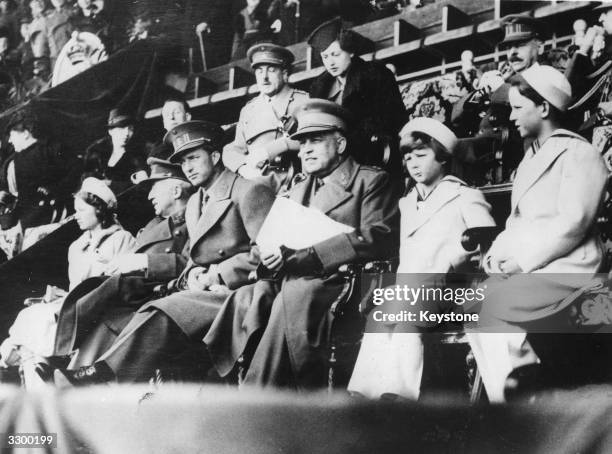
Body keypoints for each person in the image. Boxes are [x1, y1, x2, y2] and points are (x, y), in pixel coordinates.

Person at [53, 120, 276, 385]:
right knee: (146, 308)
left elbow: (266, 253)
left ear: (216, 156)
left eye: (194, 158)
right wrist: (193, 275)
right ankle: (93, 376)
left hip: (239, 293)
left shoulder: (249, 190)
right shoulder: (195, 203)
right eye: (183, 163)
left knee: (163, 310)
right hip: (203, 290)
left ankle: (98, 375)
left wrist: (217, 275)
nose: (188, 168)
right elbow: (194, 257)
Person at [231, 99, 399, 390]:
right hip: (292, 278)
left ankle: (260, 394)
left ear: (341, 144)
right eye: (302, 142)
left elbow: (376, 237)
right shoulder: (297, 188)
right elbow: (269, 240)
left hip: (339, 282)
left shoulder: (371, 181)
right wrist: (269, 257)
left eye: (315, 140)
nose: (305, 149)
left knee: (294, 294)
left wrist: (308, 256)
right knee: (248, 297)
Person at [466, 64, 609, 402]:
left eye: (518, 107)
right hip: (535, 269)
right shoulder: (529, 161)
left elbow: (573, 224)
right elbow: (516, 222)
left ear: (544, 107)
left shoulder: (580, 153)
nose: (511, 116)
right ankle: (516, 401)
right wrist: (495, 257)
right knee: (475, 307)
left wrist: (521, 263)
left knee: (492, 303)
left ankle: (527, 394)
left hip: (571, 268)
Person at [347, 117, 495, 400]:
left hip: (453, 289)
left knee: (404, 307)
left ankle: (398, 394)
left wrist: (454, 260)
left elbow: (484, 242)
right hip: (414, 289)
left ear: (442, 158)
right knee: (381, 312)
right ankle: (365, 393)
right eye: (408, 157)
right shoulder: (408, 202)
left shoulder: (465, 196)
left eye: (422, 155)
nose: (414, 163)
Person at [53, 155, 194, 368]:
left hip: (158, 294)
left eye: (154, 187)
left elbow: (190, 262)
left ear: (176, 191)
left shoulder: (194, 219)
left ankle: (75, 365)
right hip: (134, 295)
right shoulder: (153, 224)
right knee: (105, 310)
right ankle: (75, 372)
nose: (150, 196)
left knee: (104, 294)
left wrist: (143, 261)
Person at [0, 177, 135, 387]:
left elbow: (122, 283)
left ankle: (11, 359)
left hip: (101, 309)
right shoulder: (77, 247)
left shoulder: (122, 239)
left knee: (32, 324)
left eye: (81, 210)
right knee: (31, 341)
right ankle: (42, 392)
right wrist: (62, 295)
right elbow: (75, 288)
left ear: (99, 209)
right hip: (77, 306)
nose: (76, 216)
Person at [306, 17, 406, 187]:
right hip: (334, 156)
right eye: (325, 57)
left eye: (336, 55)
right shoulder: (319, 88)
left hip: (371, 152)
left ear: (351, 52)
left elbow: (390, 120)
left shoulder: (375, 74)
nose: (330, 62)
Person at [452, 14, 545, 185]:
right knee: (437, 151)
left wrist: (500, 89)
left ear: (539, 46)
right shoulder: (504, 75)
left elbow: (539, 106)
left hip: (514, 150)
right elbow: (456, 119)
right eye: (509, 46)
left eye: (520, 45)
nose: (512, 53)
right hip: (482, 152)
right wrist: (480, 93)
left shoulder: (546, 76)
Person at [223, 43, 309, 193]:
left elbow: (311, 141)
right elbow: (234, 149)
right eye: (259, 71)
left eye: (271, 70)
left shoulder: (301, 101)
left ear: (284, 73)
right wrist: (243, 168)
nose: (264, 78)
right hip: (254, 182)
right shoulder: (249, 109)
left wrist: (275, 148)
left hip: (291, 183)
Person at [0, 110, 76, 229]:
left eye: (12, 135)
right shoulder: (14, 160)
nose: (9, 141)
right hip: (26, 214)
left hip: (53, 211)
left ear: (25, 133)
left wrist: (55, 189)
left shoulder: (53, 149)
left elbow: (76, 170)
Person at [82, 108, 147, 195]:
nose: (127, 133)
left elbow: (141, 188)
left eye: (130, 129)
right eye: (121, 128)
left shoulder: (137, 158)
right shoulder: (96, 153)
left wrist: (111, 184)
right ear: (110, 131)